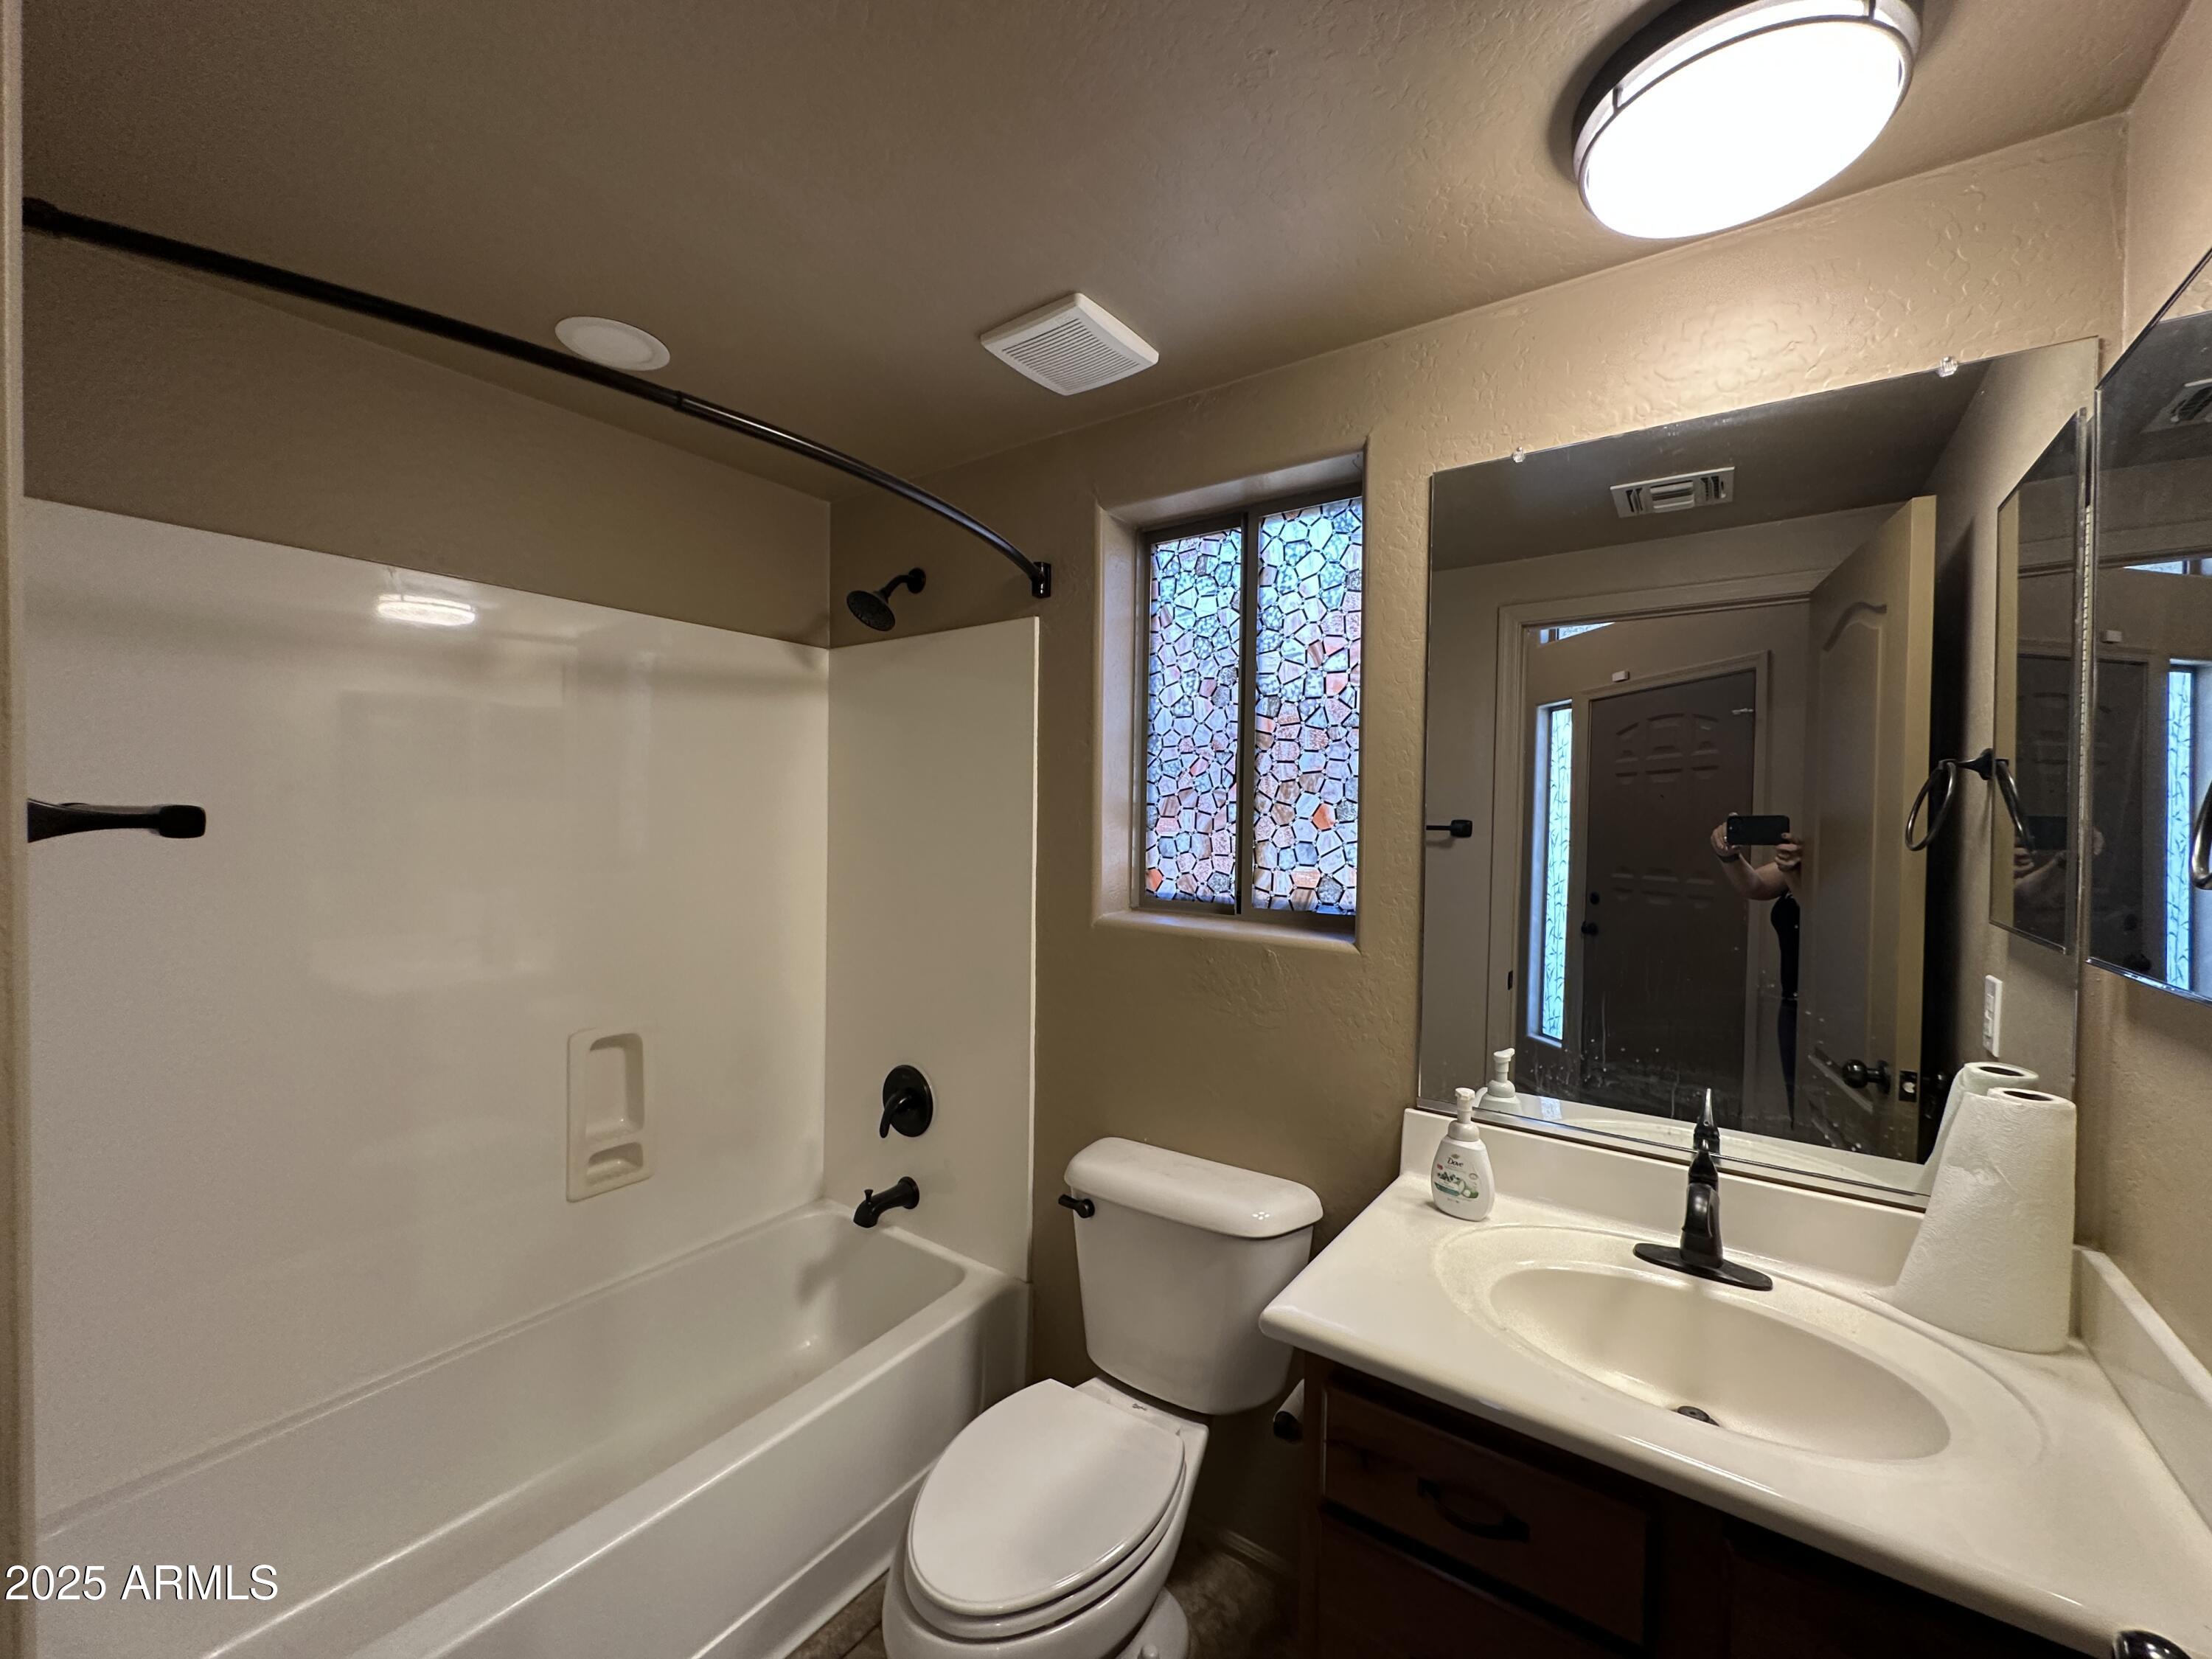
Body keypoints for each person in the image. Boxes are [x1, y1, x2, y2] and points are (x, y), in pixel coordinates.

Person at [1711, 821, 1802, 1110]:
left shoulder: (1833, 863)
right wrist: (1728, 856)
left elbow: (1820, 915)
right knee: (1799, 1105)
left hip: (1824, 1007)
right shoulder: (1805, 858)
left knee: (1816, 1111)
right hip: (1791, 1003)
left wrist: (1796, 874)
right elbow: (1755, 885)